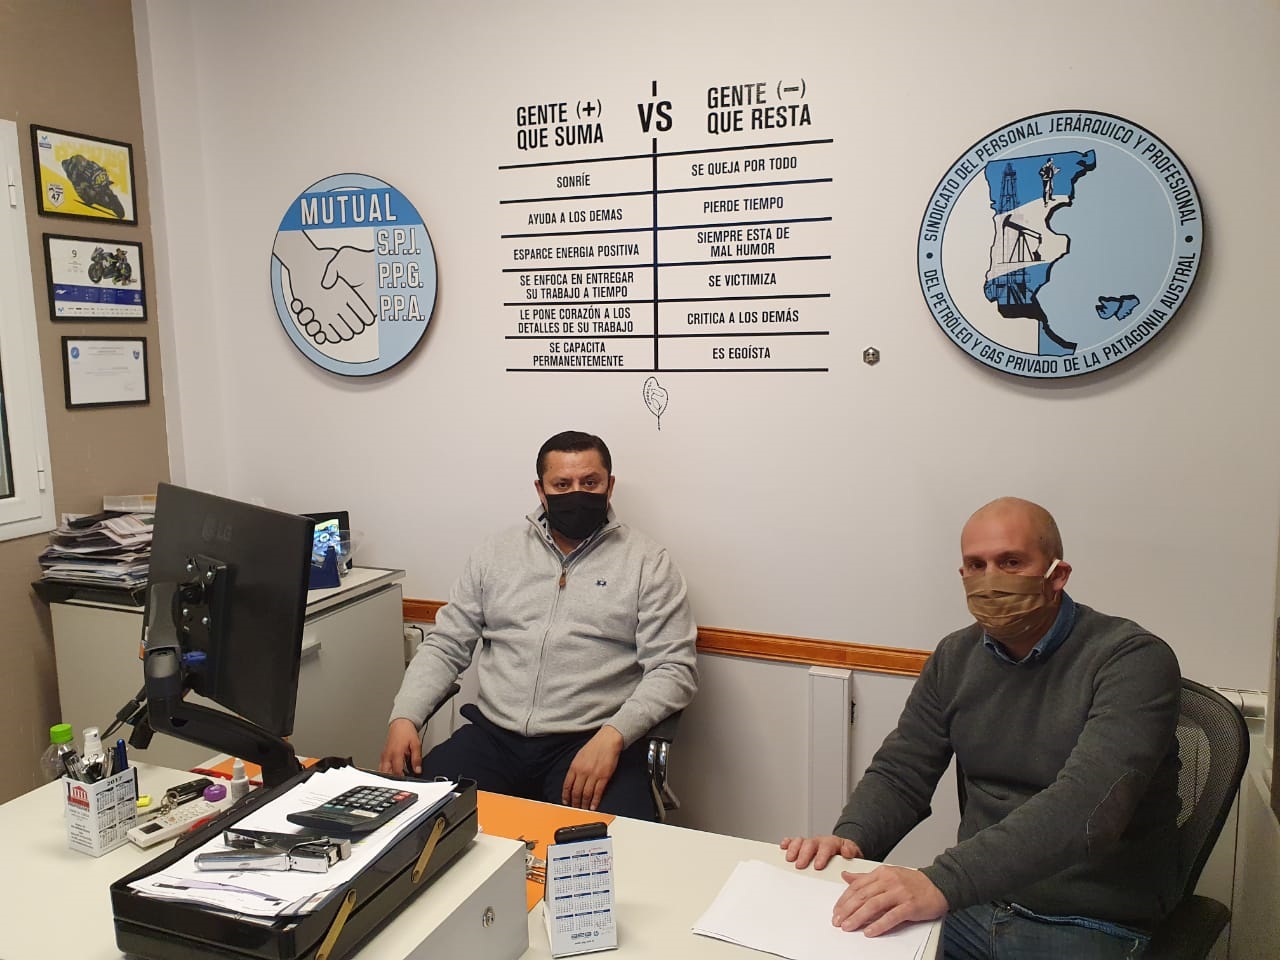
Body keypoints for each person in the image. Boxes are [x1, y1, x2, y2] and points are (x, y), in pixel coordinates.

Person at [781, 497, 1182, 958]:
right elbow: (902, 771)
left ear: (1058, 575)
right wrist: (851, 839)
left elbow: (1088, 809)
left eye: (1011, 562)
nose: (991, 579)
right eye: (976, 565)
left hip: (1086, 920)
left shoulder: (1132, 660)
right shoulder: (955, 656)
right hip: (974, 904)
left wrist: (941, 882)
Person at [379, 430, 698, 820]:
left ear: (610, 486)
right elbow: (446, 645)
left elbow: (673, 669)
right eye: (562, 484)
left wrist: (614, 736)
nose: (577, 493)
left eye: (590, 483)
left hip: (589, 741)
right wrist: (405, 716)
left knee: (613, 848)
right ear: (541, 490)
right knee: (414, 822)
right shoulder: (495, 553)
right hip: (494, 738)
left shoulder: (648, 562)